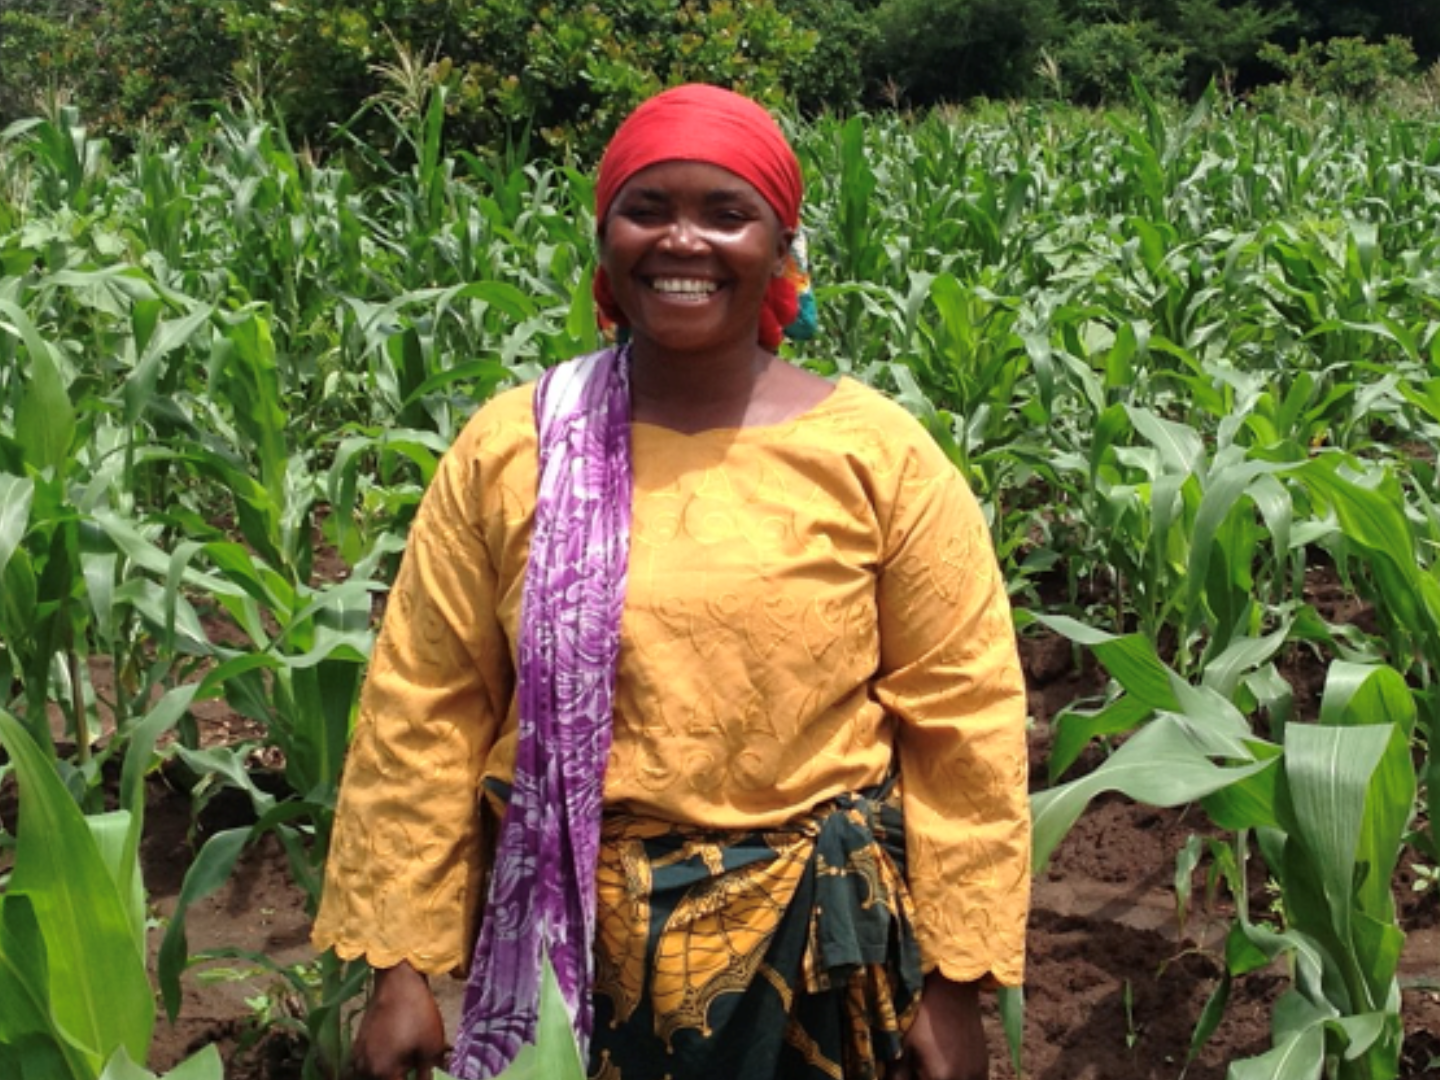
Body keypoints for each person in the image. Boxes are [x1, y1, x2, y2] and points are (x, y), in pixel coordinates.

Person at [312, 84, 1030, 1080]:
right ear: (604, 238)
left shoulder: (878, 456)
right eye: (648, 210)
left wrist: (955, 987)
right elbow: (423, 707)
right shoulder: (516, 446)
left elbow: (966, 724)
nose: (683, 241)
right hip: (569, 964)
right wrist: (399, 969)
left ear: (781, 249)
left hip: (815, 961)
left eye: (725, 214)